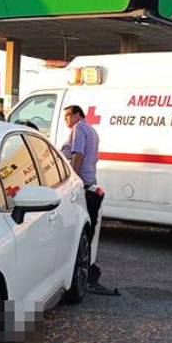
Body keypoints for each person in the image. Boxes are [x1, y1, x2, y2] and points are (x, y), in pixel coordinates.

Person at [62, 105, 118, 296]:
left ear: (77, 115)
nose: (66, 120)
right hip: (91, 185)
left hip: (83, 185)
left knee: (80, 232)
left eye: (68, 116)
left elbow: (78, 155)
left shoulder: (79, 129)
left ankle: (84, 276)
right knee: (88, 230)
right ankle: (85, 273)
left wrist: (73, 181)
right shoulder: (91, 129)